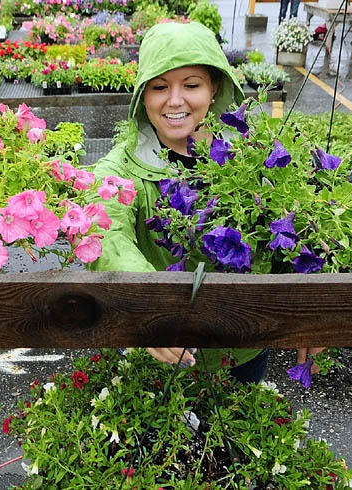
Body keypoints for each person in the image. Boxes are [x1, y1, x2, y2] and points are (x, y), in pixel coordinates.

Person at [88, 21, 271, 383]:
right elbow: (106, 235)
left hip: (241, 346)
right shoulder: (119, 168)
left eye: (191, 85)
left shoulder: (252, 156)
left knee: (239, 435)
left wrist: (312, 320)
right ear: (143, 96)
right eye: (159, 87)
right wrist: (153, 308)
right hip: (157, 348)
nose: (174, 100)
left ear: (214, 88)